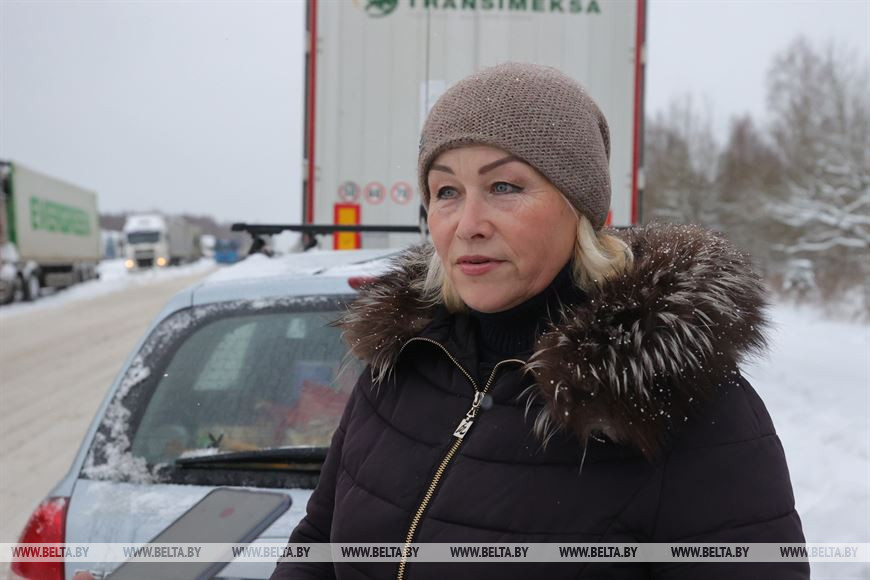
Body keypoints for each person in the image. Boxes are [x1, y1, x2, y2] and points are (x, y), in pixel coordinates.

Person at [271, 62, 809, 579]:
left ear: (584, 211)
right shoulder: (402, 364)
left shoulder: (682, 405)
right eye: (446, 192)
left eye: (504, 187)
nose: (468, 224)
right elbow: (320, 544)